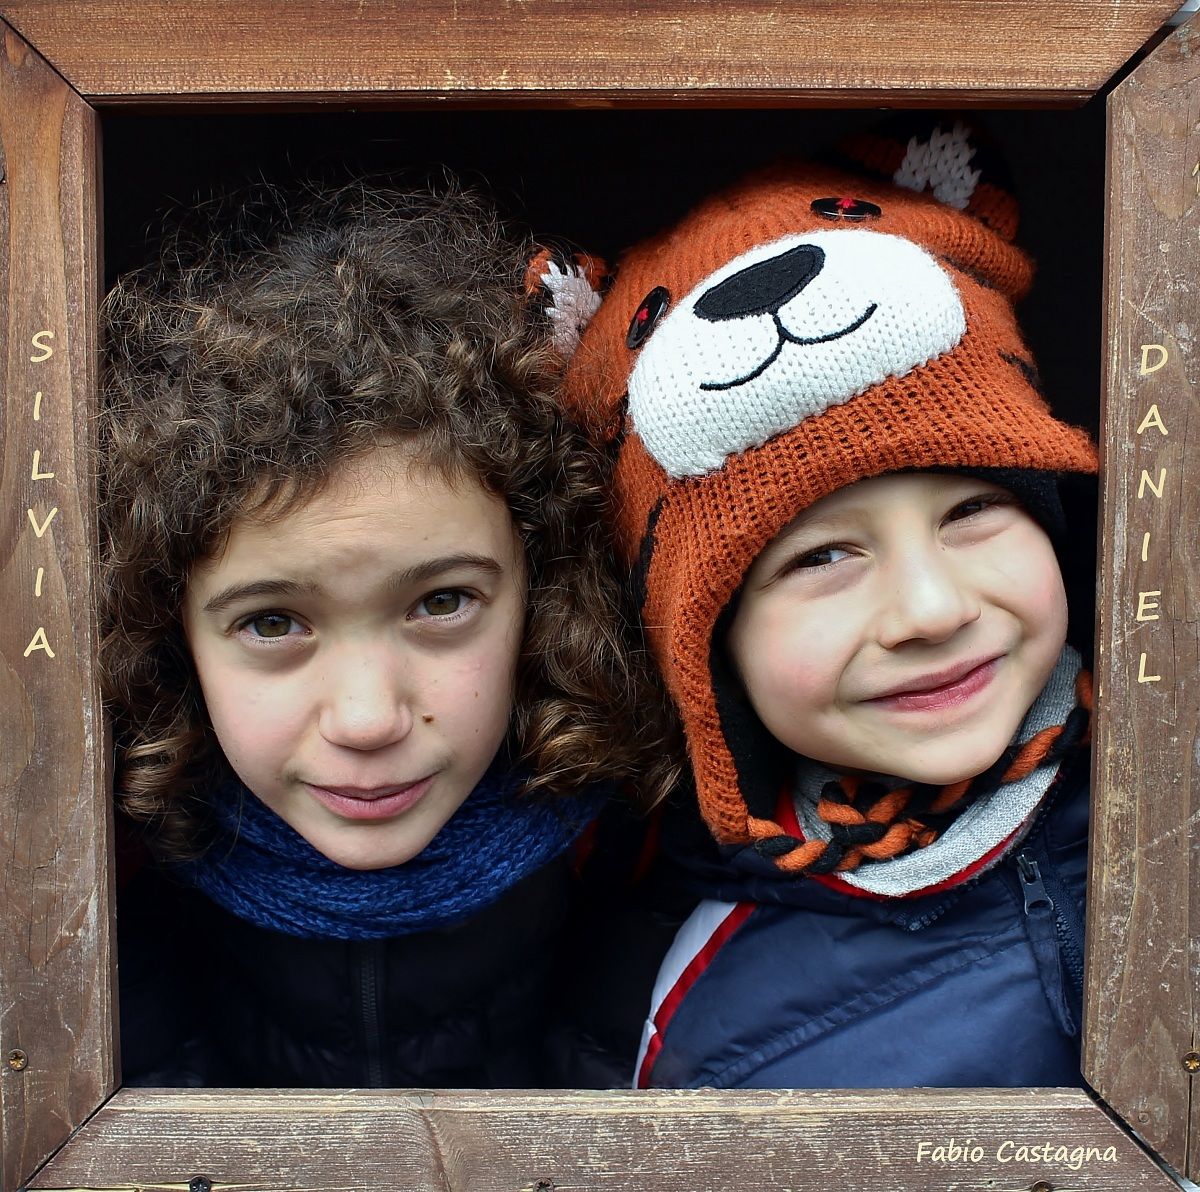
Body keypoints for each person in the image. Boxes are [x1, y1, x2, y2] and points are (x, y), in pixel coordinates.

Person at [550, 120, 1100, 1088]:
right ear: (708, 657)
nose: (928, 610)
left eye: (973, 507)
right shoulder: (718, 1039)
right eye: (823, 558)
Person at [100, 184, 673, 1088]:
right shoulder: (106, 865)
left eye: (441, 604)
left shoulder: (639, 834)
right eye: (273, 622)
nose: (368, 719)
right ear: (172, 629)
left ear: (542, 587)